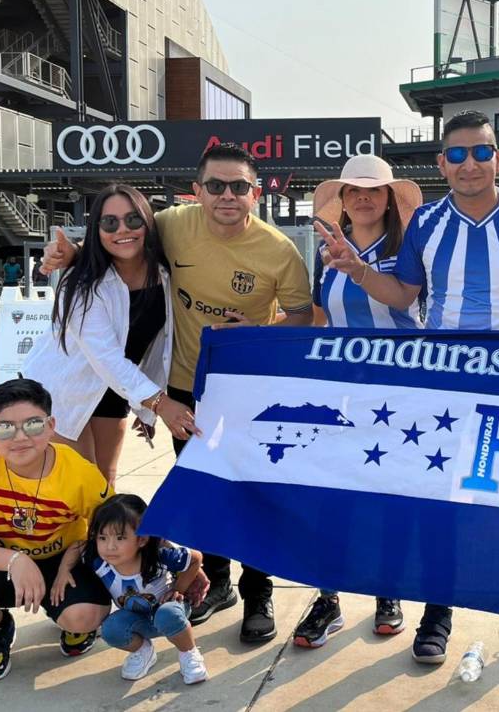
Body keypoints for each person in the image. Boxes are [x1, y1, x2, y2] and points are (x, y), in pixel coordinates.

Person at [316, 110, 499, 667]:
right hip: (443, 383)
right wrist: (356, 269)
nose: (469, 164)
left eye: (481, 153)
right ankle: (438, 613)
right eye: (457, 154)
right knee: (442, 501)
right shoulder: (426, 225)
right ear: (442, 163)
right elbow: (402, 295)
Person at [41, 143, 314, 644]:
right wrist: (75, 255)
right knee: (205, 490)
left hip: (246, 390)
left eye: (238, 186)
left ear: (257, 192)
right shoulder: (170, 224)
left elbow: (301, 317)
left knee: (252, 490)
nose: (226, 196)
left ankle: (259, 590)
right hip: (184, 388)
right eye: (215, 185)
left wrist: (259, 326)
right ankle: (218, 584)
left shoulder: (279, 251)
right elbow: (119, 240)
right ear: (197, 191)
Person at [291, 155, 423, 649]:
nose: (364, 198)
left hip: (399, 392)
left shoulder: (410, 249)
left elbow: (406, 301)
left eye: (374, 190)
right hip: (343, 394)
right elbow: (320, 320)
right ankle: (329, 597)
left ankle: (388, 591)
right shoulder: (326, 254)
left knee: (389, 493)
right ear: (342, 200)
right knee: (334, 497)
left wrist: (362, 268)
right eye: (353, 190)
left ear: (389, 198)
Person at [0, 378, 114, 682]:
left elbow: (113, 528)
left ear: (50, 426)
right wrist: (14, 560)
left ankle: (70, 618)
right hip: (2, 560)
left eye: (32, 425)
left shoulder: (79, 471)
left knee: (83, 617)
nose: (19, 437)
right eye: (5, 427)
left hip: (63, 562)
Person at [22, 183, 196, 486]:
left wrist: (145, 408)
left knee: (103, 487)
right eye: (109, 222)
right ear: (96, 230)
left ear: (147, 224)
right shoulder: (83, 285)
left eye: (133, 220)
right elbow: (106, 357)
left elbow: (157, 347)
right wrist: (159, 403)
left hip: (114, 394)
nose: (122, 230)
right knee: (77, 486)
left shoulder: (164, 274)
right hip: (65, 391)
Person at [88, 493, 211, 684]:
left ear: (142, 540)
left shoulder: (160, 557)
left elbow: (195, 558)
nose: (109, 546)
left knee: (167, 614)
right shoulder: (100, 564)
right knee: (110, 628)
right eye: (102, 537)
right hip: (136, 619)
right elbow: (75, 549)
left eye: (120, 538)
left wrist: (180, 589)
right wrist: (63, 570)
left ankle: (189, 653)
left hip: (169, 612)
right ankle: (143, 651)